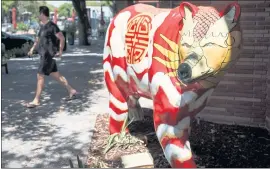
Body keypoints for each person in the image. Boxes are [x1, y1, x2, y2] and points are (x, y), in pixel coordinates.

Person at [26, 6, 77, 108]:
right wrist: (32, 49)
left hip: (48, 55)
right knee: (57, 76)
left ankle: (36, 100)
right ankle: (71, 90)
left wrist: (60, 51)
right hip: (44, 55)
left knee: (40, 76)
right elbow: (38, 39)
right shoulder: (42, 27)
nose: (38, 16)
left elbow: (62, 38)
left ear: (42, 14)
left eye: (39, 14)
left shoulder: (52, 26)